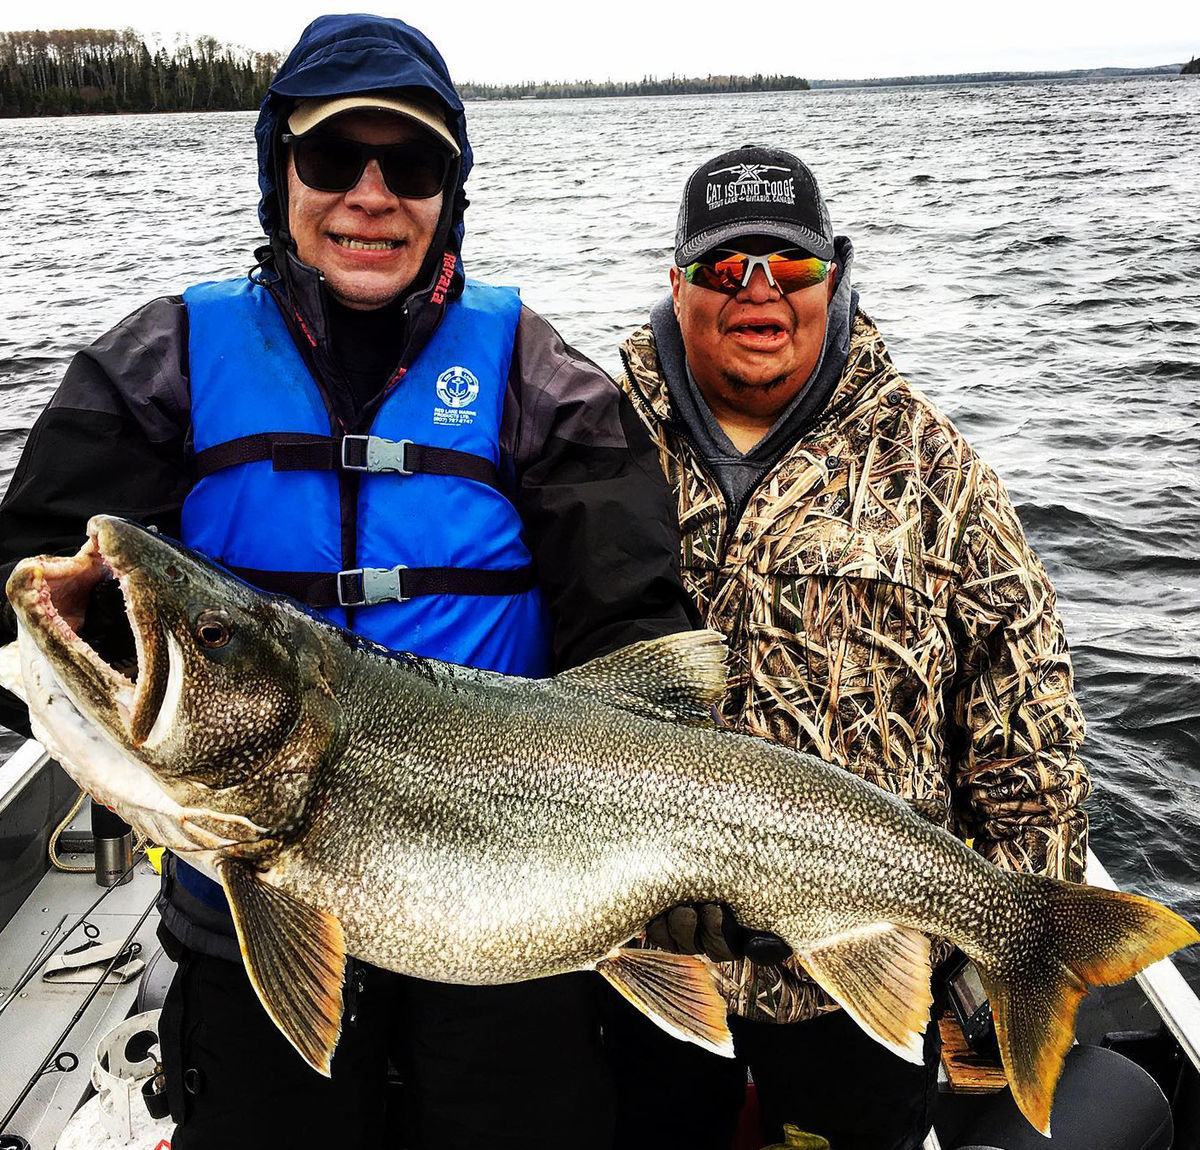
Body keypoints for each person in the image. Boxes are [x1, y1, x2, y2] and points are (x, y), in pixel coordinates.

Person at [0, 15, 701, 1150]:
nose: (371, 196)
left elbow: (633, 620)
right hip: (245, 883)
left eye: (411, 165)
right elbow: (24, 586)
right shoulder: (160, 359)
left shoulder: (538, 375)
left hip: (510, 900)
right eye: (333, 161)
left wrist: (662, 851)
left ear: (448, 193)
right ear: (280, 173)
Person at [604, 144, 1091, 1150]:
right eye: (724, 269)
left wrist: (980, 958)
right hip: (632, 966)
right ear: (676, 280)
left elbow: (1027, 736)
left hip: (855, 991)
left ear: (834, 274)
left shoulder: (934, 466)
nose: (759, 294)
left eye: (789, 269)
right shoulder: (590, 440)